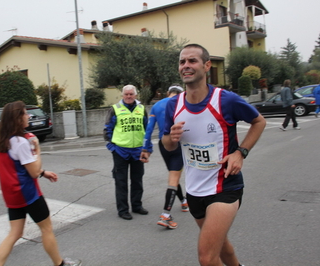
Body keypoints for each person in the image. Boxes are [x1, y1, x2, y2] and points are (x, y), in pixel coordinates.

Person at [162, 44, 266, 266]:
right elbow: (168, 146)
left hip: (225, 187)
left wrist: (241, 152)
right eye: (182, 62)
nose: (186, 66)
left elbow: (259, 121)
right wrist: (170, 138)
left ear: (206, 66)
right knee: (222, 246)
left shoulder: (225, 99)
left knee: (207, 258)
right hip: (194, 191)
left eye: (192, 61)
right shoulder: (173, 105)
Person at [0, 101, 81, 266]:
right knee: (47, 229)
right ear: (17, 118)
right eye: (25, 113)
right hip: (28, 193)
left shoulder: (3, 140)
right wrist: (37, 150)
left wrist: (44, 173)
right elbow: (33, 171)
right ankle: (60, 264)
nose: (28, 116)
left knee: (14, 233)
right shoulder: (20, 142)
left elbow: (20, 167)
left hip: (12, 195)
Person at [140, 84, 188, 230]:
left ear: (168, 93)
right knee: (174, 177)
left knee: (174, 174)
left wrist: (146, 148)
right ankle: (165, 215)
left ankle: (184, 201)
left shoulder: (156, 106)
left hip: (163, 144)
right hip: (179, 143)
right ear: (181, 93)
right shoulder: (182, 103)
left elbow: (148, 129)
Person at [103, 85, 149, 220]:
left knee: (137, 180)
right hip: (120, 151)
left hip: (137, 151)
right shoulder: (115, 109)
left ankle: (137, 206)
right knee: (121, 182)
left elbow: (146, 128)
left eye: (131, 94)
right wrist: (112, 147)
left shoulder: (141, 109)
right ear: (122, 95)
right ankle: (123, 210)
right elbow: (107, 129)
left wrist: (146, 147)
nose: (129, 96)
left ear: (135, 95)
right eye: (126, 94)